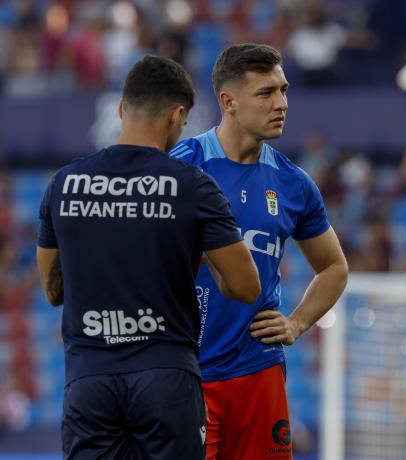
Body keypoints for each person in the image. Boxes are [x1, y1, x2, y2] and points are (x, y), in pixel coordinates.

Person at [36, 55, 261, 459]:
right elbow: (246, 287)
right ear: (177, 116)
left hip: (90, 376)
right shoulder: (194, 186)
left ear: (122, 109)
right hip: (165, 376)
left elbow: (53, 291)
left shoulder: (64, 184)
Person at [170, 43, 349, 460]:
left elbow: (334, 268)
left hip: (259, 370)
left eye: (284, 90)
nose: (282, 103)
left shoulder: (294, 182)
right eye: (266, 93)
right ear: (228, 102)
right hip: (191, 373)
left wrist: (297, 324)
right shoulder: (184, 166)